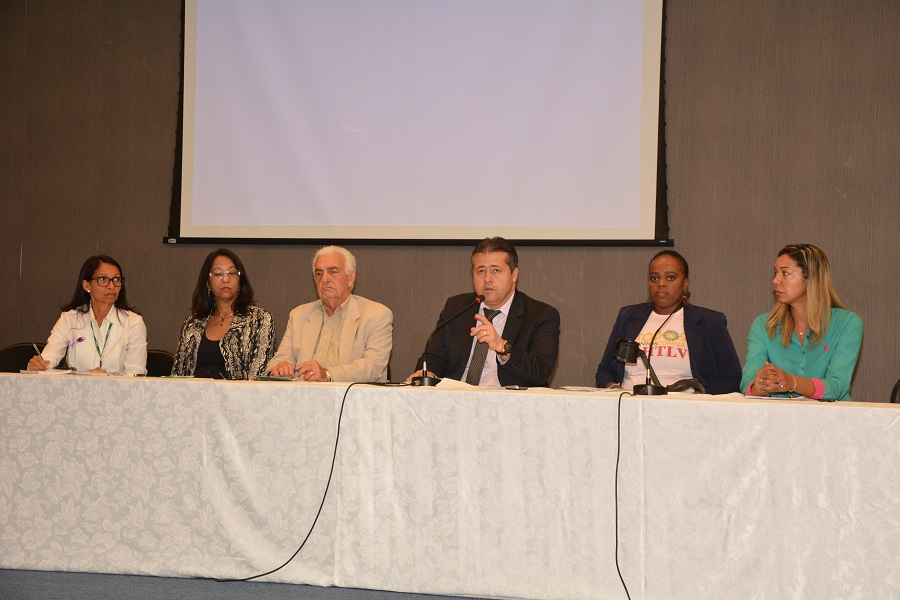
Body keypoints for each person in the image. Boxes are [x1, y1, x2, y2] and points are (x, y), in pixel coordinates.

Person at [408, 237, 560, 387]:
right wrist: (428, 373)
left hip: (507, 399)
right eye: (481, 271)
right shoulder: (456, 307)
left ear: (514, 275)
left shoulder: (541, 315)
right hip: (457, 396)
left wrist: (503, 347)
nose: (487, 279)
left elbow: (540, 372)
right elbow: (434, 357)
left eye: (495, 270)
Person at [595, 250, 742, 394]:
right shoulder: (628, 316)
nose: (661, 283)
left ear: (685, 283)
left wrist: (700, 396)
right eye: (654, 278)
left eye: (670, 278)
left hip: (685, 405)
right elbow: (604, 371)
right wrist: (614, 390)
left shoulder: (709, 322)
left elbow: (732, 378)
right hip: (630, 401)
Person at [741, 243, 862, 401]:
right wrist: (761, 386)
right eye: (775, 273)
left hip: (832, 416)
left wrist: (791, 382)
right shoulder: (764, 325)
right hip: (778, 415)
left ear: (811, 278)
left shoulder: (847, 323)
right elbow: (747, 383)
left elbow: (837, 386)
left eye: (785, 273)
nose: (775, 280)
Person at [267, 246, 392, 382]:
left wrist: (328, 374)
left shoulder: (376, 315)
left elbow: (373, 366)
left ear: (350, 278)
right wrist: (279, 368)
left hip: (351, 395)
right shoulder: (299, 315)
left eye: (333, 272)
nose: (325, 279)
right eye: (319, 273)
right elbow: (279, 360)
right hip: (303, 393)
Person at [27, 255, 147, 375]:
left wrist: (107, 378)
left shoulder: (133, 322)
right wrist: (39, 365)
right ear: (87, 285)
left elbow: (136, 372)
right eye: (103, 279)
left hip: (118, 387)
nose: (111, 286)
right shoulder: (70, 319)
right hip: (76, 386)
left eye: (116, 279)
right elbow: (50, 356)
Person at [171, 248, 275, 379]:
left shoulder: (259, 320)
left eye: (232, 273)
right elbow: (178, 373)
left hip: (239, 392)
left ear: (240, 281)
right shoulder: (193, 322)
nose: (225, 279)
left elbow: (259, 374)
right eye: (218, 273)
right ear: (207, 284)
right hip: (192, 391)